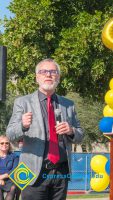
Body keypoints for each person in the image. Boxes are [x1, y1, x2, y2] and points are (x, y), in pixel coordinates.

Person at [6, 59, 84, 200]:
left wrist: (71, 130)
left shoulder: (68, 104)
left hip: (61, 171)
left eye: (53, 72)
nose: (48, 75)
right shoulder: (22, 102)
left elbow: (80, 135)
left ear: (58, 77)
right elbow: (10, 134)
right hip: (31, 171)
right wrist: (22, 125)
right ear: (37, 77)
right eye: (43, 71)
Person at [0, 135, 19, 200]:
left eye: (6, 143)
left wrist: (2, 176)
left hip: (10, 180)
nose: (4, 144)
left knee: (13, 188)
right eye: (2, 143)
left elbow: (15, 170)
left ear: (9, 144)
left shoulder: (14, 156)